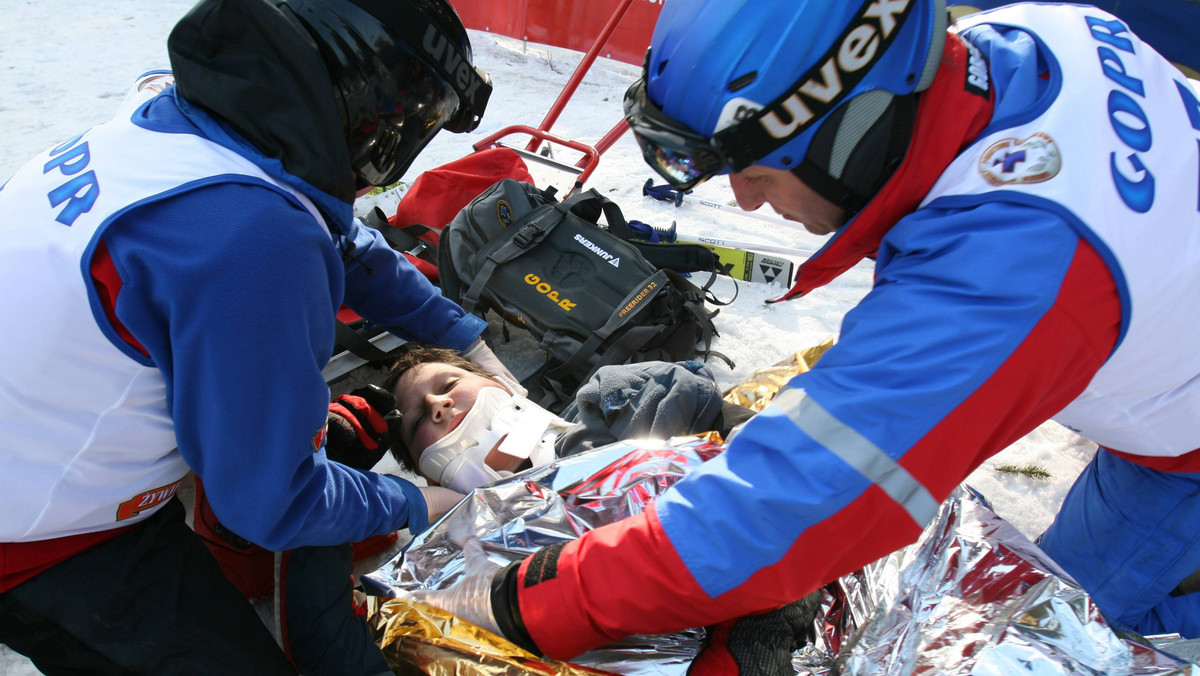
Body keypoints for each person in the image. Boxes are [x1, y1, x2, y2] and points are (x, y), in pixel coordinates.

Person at [412, 0, 1200, 667]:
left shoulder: (1014, 265)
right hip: (1158, 392)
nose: (747, 203)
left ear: (844, 126)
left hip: (1182, 456)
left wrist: (525, 602)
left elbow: (783, 514)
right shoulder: (1034, 40)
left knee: (1057, 635)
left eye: (753, 167)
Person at [0, 0, 515, 672]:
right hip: (45, 542)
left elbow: (342, 237)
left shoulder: (175, 113)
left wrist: (460, 335)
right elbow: (274, 504)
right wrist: (415, 498)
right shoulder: (251, 239)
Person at [379, 344, 755, 490]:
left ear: (502, 384)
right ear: (426, 475)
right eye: (416, 422)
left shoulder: (608, 398)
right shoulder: (463, 552)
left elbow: (683, 393)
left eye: (448, 384)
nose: (436, 404)